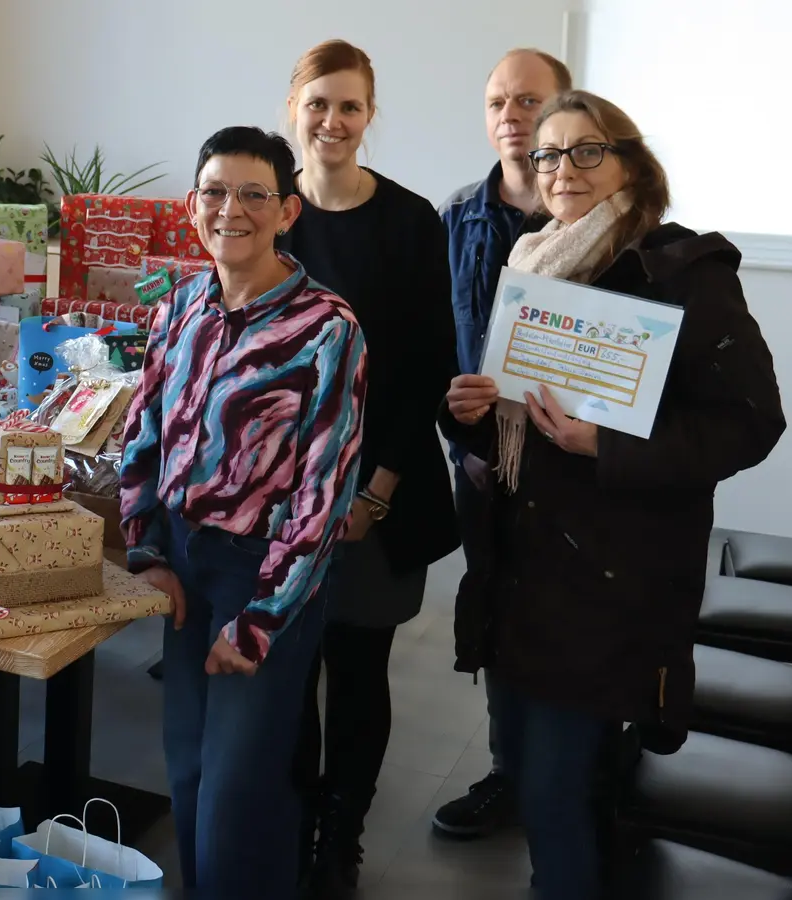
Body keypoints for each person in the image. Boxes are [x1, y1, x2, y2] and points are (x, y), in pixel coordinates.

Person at [441, 91, 783, 899]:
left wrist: (609, 445)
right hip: (520, 577)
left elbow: (750, 424)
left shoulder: (681, 272)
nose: (563, 170)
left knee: (563, 798)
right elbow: (513, 432)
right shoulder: (532, 263)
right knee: (531, 776)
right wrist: (469, 413)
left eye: (586, 150)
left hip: (610, 587)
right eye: (548, 155)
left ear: (631, 163)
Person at [121, 125, 368, 894]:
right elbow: (142, 433)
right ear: (193, 205)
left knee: (239, 793)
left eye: (254, 194)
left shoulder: (327, 327)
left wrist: (262, 617)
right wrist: (148, 554)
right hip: (185, 567)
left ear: (288, 211)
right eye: (215, 192)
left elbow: (324, 492)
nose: (232, 210)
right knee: (191, 775)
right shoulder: (182, 306)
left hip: (265, 577)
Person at [274, 39, 459, 896]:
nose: (333, 121)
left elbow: (423, 365)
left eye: (349, 106)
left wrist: (375, 494)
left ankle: (339, 834)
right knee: (286, 666)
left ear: (370, 115)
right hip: (272, 492)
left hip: (371, 490)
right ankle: (293, 817)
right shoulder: (268, 210)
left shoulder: (411, 220)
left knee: (354, 669)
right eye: (318, 104)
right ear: (293, 110)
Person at [433, 47, 572, 839]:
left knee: (581, 619)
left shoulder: (603, 220)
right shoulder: (457, 217)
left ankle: (587, 775)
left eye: (527, 101)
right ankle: (509, 772)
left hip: (585, 468)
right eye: (496, 104)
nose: (509, 117)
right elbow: (440, 341)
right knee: (497, 610)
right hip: (484, 463)